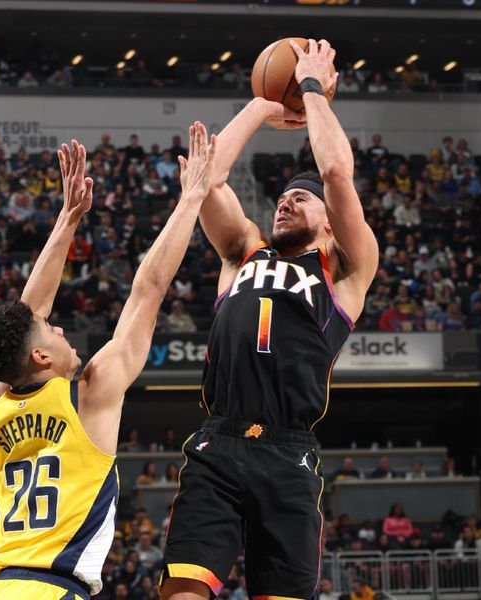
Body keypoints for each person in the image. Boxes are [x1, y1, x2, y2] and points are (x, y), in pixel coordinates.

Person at [161, 39, 378, 600]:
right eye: (281, 197)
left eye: (299, 200)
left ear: (330, 223)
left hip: (288, 450)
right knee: (183, 592)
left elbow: (334, 169)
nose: (285, 202)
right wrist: (262, 104)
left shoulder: (347, 273)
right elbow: (206, 182)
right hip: (219, 441)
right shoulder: (243, 254)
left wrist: (309, 88)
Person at [0, 125, 218, 599]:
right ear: (41, 356)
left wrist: (69, 218)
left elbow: (28, 316)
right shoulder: (88, 393)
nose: (60, 327)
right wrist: (192, 199)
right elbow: (148, 291)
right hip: (55, 589)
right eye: (52, 331)